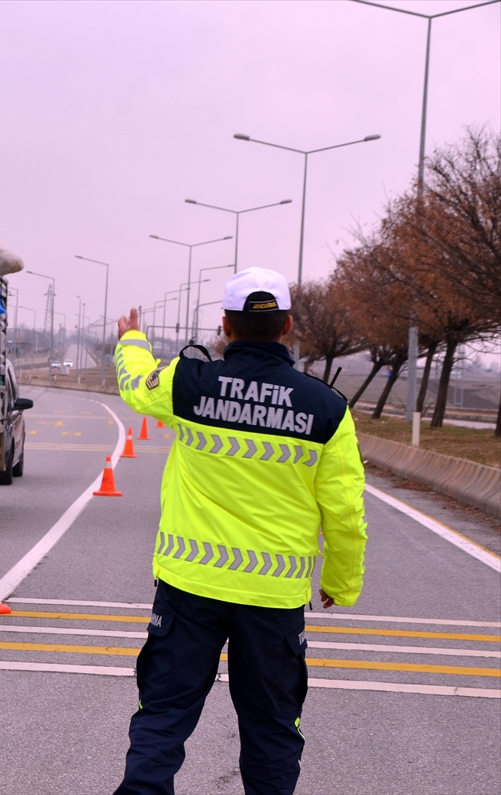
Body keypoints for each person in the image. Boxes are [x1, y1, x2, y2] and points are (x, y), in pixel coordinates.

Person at [111, 268, 367, 795]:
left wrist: (131, 340)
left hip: (189, 588)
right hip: (273, 599)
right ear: (288, 326)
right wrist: (341, 582)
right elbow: (344, 511)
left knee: (163, 716)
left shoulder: (189, 381)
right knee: (272, 729)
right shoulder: (326, 408)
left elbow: (136, 387)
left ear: (225, 326)